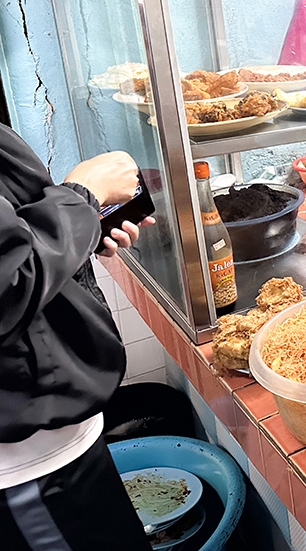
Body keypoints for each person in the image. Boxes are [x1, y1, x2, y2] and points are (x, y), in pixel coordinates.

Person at [0, 124, 155, 550]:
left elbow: (15, 242)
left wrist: (82, 229)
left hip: (60, 444)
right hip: (25, 468)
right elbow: (9, 285)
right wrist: (82, 196)